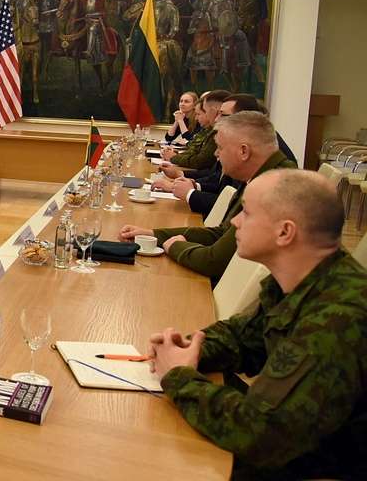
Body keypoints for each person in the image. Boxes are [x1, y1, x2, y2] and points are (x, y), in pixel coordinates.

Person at [148, 169, 366, 480]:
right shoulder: (305, 278)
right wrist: (188, 348)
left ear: (284, 233)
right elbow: (243, 338)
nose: (235, 221)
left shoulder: (337, 318)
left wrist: (179, 376)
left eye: (247, 213)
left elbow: (260, 433)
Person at [120, 111, 296, 280]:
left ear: (244, 151)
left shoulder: (274, 186)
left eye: (220, 147)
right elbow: (221, 233)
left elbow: (214, 261)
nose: (216, 154)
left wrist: (175, 246)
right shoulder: (261, 175)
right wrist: (153, 234)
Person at [160, 94, 297, 217]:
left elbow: (230, 208)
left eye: (222, 114)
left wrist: (190, 193)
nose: (216, 119)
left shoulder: (266, 160)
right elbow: (219, 181)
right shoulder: (237, 141)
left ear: (243, 117)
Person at [161, 89, 229, 170]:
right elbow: (169, 138)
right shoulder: (204, 127)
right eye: (181, 101)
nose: (182, 104)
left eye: (186, 101)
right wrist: (177, 121)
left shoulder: (213, 131)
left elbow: (199, 160)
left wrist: (174, 157)